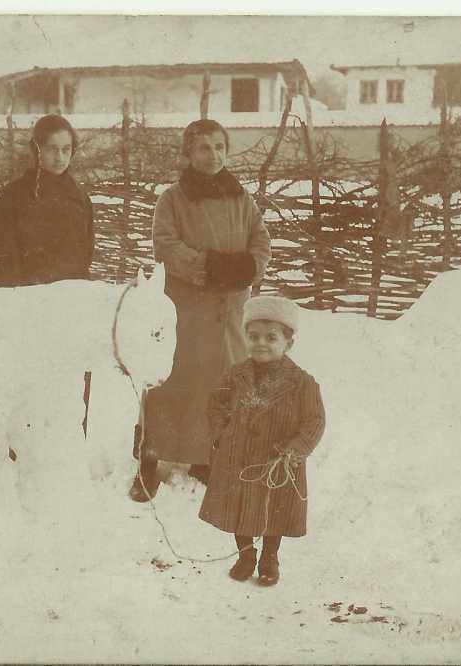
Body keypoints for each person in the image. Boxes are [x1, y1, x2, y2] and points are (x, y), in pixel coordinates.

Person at [131, 118, 272, 501]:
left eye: (220, 147)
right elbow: (166, 246)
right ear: (188, 154)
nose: (214, 155)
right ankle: (151, 455)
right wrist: (208, 267)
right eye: (204, 148)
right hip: (188, 308)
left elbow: (260, 240)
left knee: (221, 382)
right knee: (177, 380)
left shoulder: (240, 198)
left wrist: (247, 268)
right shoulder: (173, 199)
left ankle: (204, 456)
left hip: (229, 310)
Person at [198, 295, 326, 586]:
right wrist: (222, 435)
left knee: (274, 511)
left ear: (288, 343)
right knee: (238, 509)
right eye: (254, 336)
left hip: (277, 463)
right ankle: (245, 554)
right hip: (239, 459)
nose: (261, 344)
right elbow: (215, 404)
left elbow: (315, 421)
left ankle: (270, 556)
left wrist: (294, 451)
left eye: (271, 337)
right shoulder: (235, 374)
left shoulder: (303, 383)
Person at [0, 114, 94, 287]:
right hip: (27, 299)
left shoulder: (79, 197)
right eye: (51, 149)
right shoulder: (14, 195)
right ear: (37, 149)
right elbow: (0, 261)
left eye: (66, 149)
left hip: (73, 299)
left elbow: (86, 254)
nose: (60, 157)